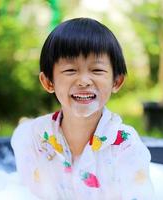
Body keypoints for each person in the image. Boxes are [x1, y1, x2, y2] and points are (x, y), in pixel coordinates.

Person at [11, 17, 155, 200]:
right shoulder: (35, 137)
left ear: (116, 81)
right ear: (48, 82)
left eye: (97, 70)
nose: (84, 81)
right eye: (70, 70)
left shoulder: (125, 146)